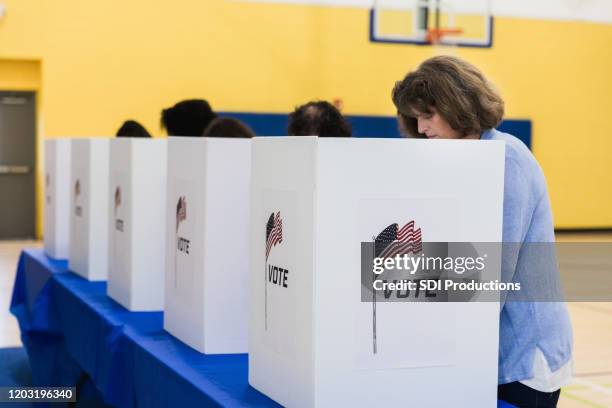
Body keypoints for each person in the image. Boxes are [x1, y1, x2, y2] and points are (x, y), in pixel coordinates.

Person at [392, 55, 573, 408]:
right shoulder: (463, 159)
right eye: (416, 118)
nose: (422, 128)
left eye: (428, 116)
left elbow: (490, 278)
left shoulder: (505, 160)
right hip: (485, 354)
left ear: (456, 106)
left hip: (523, 360)